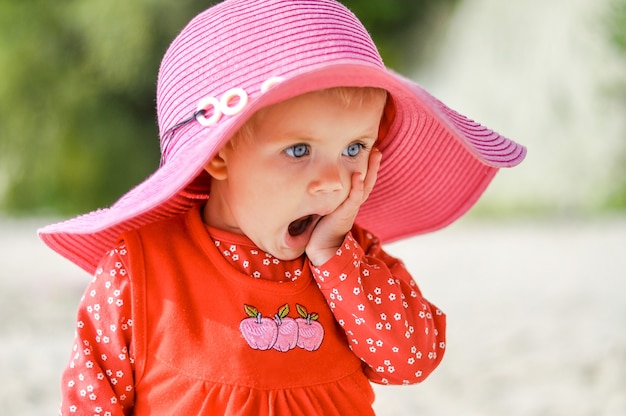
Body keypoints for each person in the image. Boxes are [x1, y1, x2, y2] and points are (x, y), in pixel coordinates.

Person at [39, 0, 526, 414]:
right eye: (299, 151)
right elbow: (92, 401)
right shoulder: (139, 273)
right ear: (220, 153)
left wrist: (337, 259)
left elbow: (413, 359)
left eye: (355, 148)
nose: (334, 181)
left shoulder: (355, 260)